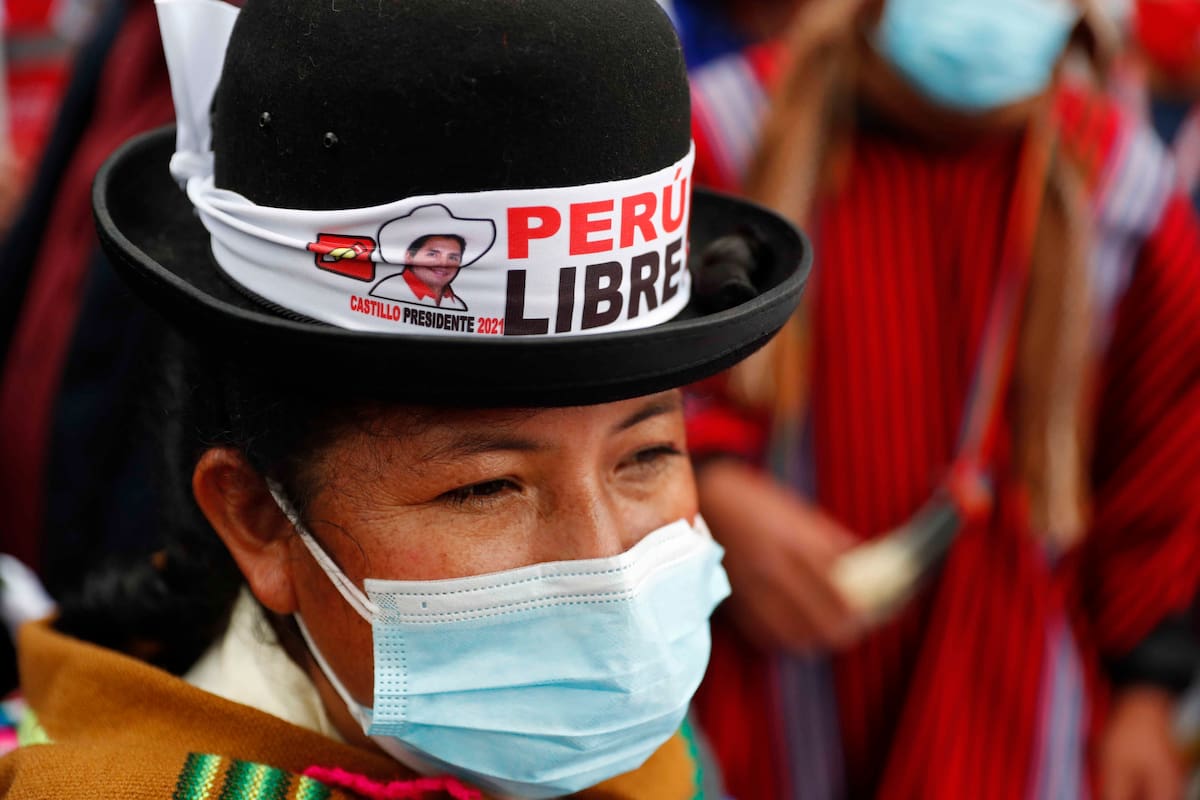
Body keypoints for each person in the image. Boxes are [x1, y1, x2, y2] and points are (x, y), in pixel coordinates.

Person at [0, 1, 809, 798]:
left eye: (647, 455)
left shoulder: (660, 762)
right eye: (485, 487)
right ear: (259, 517)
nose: (611, 574)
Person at [685, 0, 1200, 798]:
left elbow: (1167, 455)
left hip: (1015, 709)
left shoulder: (1124, 182)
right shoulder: (724, 132)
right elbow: (615, 390)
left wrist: (1145, 694)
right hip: (760, 696)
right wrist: (705, 488)